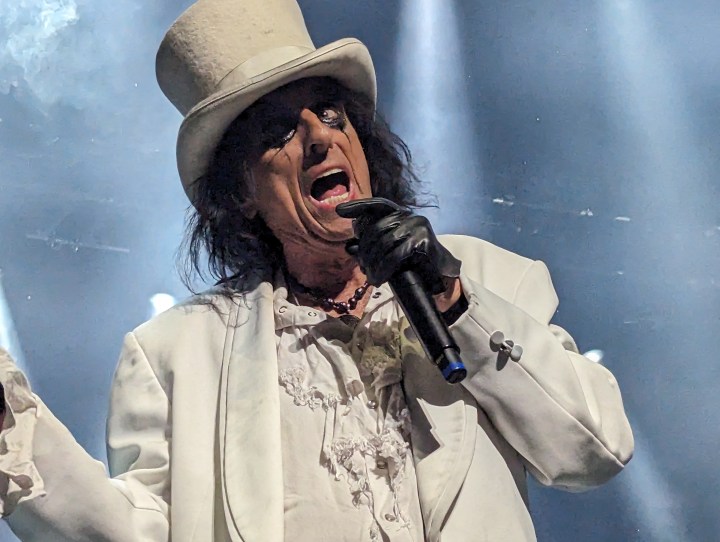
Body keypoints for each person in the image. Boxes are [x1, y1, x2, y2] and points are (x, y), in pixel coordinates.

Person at [0, 0, 634, 540]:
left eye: (331, 114)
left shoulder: (491, 279)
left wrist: (455, 301)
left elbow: (594, 448)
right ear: (241, 192)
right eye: (281, 130)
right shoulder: (178, 353)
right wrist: (12, 430)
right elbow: (133, 531)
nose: (321, 138)